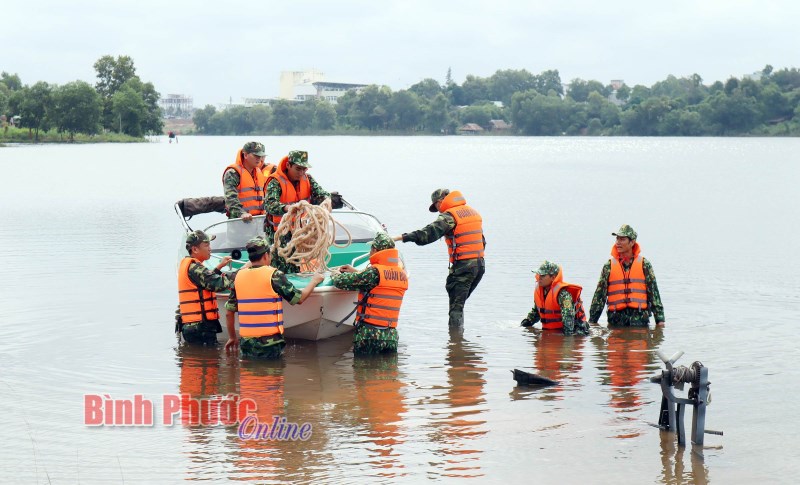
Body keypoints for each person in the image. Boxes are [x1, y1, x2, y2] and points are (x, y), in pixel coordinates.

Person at [393, 188, 485, 327]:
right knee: (459, 304)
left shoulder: (450, 216)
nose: (438, 211)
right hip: (479, 266)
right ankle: (460, 344)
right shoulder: (472, 213)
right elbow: (482, 241)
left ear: (440, 201)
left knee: (456, 309)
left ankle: (455, 343)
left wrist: (402, 237)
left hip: (463, 267)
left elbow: (427, 234)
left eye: (436, 207)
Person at [224, 237, 324, 359]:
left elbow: (229, 313)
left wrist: (232, 337)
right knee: (272, 376)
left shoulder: (238, 277)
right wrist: (314, 281)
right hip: (270, 344)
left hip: (246, 343)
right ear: (266, 255)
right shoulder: (274, 275)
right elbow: (299, 299)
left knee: (248, 376)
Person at [330, 232, 408, 355]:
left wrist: (335, 274)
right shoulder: (401, 274)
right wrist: (356, 272)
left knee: (363, 372)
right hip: (391, 336)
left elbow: (340, 282)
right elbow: (380, 283)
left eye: (371, 248)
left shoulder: (373, 273)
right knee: (389, 372)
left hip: (369, 334)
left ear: (376, 250)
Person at [264, 150, 330, 273]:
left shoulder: (308, 179)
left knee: (296, 264)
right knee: (282, 265)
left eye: (304, 169)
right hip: (279, 232)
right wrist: (287, 208)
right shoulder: (275, 182)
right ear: (288, 165)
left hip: (299, 230)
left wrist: (327, 200)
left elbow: (322, 194)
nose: (301, 173)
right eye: (298, 169)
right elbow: (269, 205)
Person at [588, 224, 666, 327]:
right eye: (617, 239)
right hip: (616, 322)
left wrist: (660, 322)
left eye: (622, 239)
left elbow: (654, 295)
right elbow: (599, 297)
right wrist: (592, 322)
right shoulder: (609, 266)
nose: (618, 243)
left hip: (639, 323)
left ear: (632, 242)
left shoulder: (644, 265)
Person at [177, 230, 235, 345]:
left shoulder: (192, 266)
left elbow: (205, 281)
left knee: (205, 358)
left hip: (195, 326)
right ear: (195, 249)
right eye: (206, 245)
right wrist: (245, 271)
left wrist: (219, 267)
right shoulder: (195, 268)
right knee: (209, 361)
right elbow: (219, 284)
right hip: (200, 327)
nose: (210, 248)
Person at [521, 260, 590, 336]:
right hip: (551, 332)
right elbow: (536, 312)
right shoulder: (541, 292)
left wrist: (567, 341)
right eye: (539, 274)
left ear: (553, 277)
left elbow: (568, 320)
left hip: (575, 330)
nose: (539, 278)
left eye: (543, 275)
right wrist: (527, 322)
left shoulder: (563, 295)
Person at [222, 141, 268, 222]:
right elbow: (230, 198)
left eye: (260, 156)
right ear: (245, 155)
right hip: (239, 222)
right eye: (256, 155)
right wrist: (241, 213)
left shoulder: (259, 173)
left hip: (258, 221)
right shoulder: (233, 173)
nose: (259, 159)